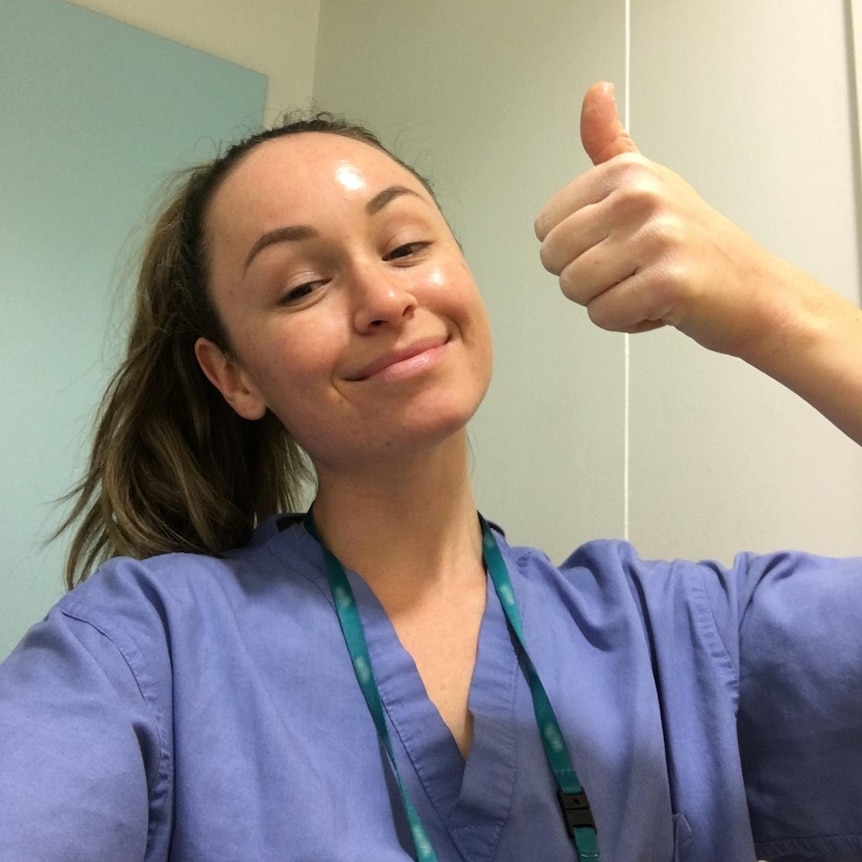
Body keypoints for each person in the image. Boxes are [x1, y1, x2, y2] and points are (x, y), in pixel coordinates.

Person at [0, 81, 860, 862]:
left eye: (406, 245)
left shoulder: (686, 639)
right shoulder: (142, 651)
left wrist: (769, 305)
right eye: (300, 287)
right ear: (235, 376)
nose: (383, 300)